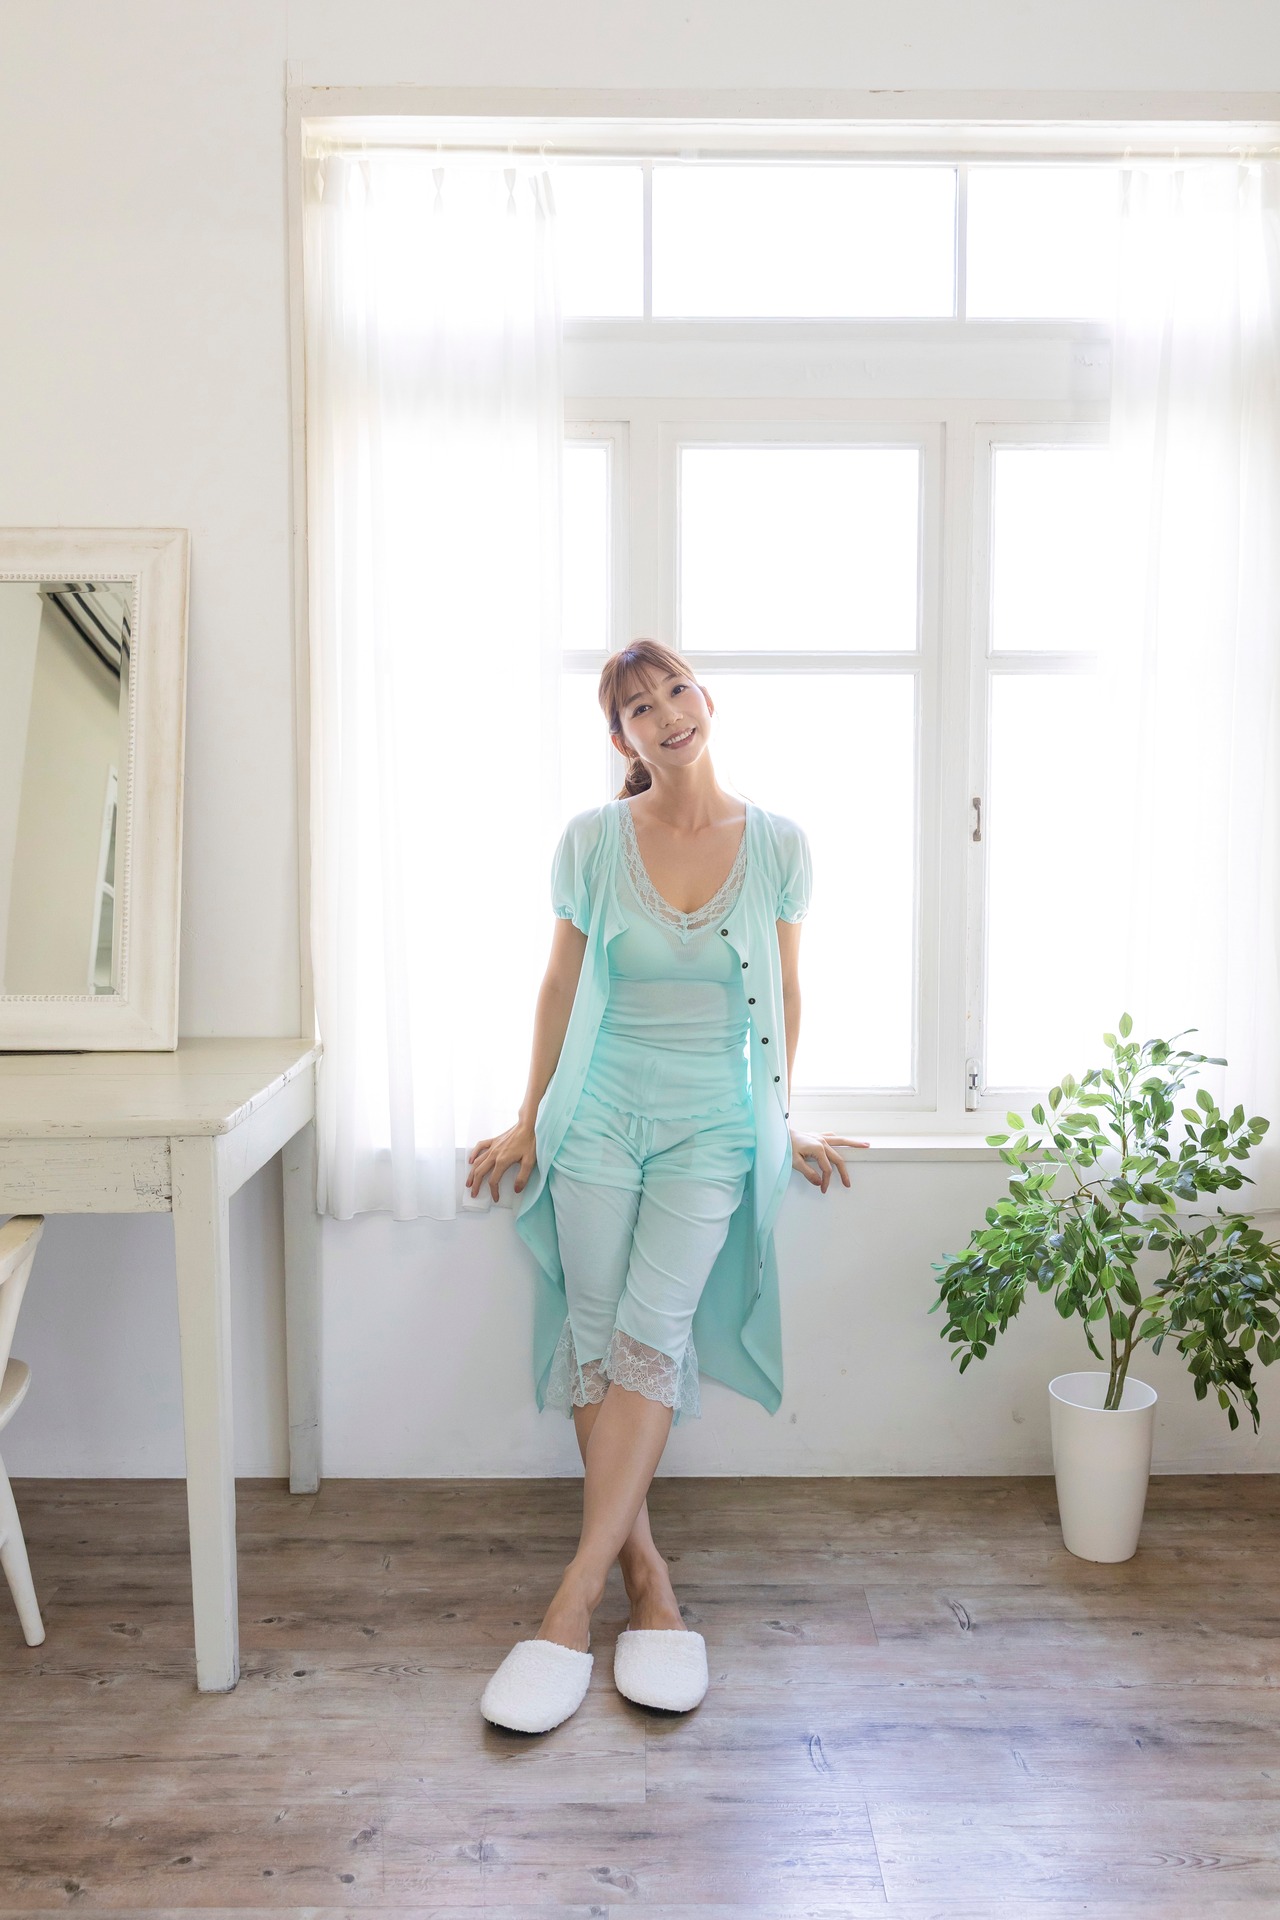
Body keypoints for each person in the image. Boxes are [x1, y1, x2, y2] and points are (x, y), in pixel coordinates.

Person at [466, 639, 866, 1733]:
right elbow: (559, 983)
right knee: (599, 1336)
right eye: (638, 707)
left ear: (706, 700)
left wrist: (781, 1115)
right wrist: (528, 1114)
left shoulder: (777, 844)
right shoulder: (593, 841)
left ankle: (571, 1602)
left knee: (652, 1333)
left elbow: (786, 992)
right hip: (595, 1114)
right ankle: (647, 1579)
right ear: (621, 739)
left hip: (711, 1124)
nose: (666, 713)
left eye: (675, 690)